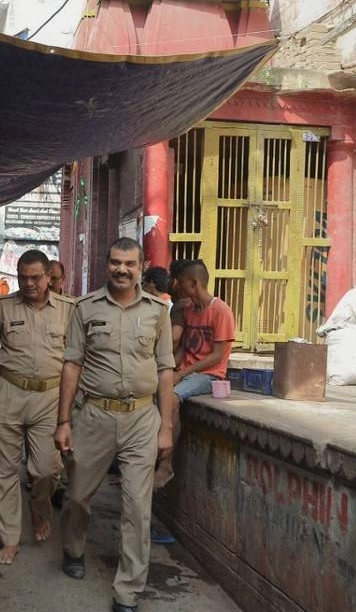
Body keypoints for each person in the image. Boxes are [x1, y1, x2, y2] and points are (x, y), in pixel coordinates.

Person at [54, 237, 176, 612]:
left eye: (130, 264)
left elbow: (165, 370)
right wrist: (63, 421)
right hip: (94, 416)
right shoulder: (85, 308)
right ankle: (73, 548)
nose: (122, 270)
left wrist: (166, 427)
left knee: (138, 507)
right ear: (107, 264)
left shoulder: (158, 311)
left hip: (142, 418)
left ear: (141, 267)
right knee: (77, 496)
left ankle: (128, 592)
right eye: (115, 262)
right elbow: (72, 364)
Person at [0, 250, 74, 565]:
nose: (28, 284)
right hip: (9, 392)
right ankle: (10, 538)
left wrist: (72, 408)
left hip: (50, 398)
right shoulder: (3, 307)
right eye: (23, 277)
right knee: (4, 470)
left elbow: (76, 361)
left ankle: (39, 510)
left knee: (46, 470)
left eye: (35, 278)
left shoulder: (69, 310)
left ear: (49, 277)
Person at [153, 260, 235, 489]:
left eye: (181, 282)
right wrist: (167, 369)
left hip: (209, 374)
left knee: (171, 399)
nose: (177, 286)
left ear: (194, 283)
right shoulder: (188, 311)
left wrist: (182, 374)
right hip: (186, 370)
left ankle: (166, 466)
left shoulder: (221, 311)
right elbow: (184, 348)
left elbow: (218, 355)